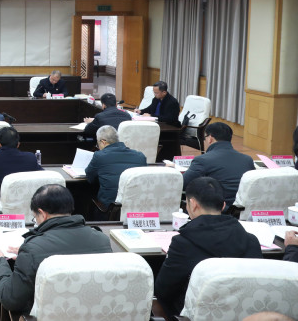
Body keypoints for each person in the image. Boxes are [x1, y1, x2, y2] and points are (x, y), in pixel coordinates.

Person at [0, 184, 112, 314]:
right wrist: (27, 255)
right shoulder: (102, 240)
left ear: (42, 214)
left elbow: (10, 299)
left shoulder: (32, 250)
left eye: (35, 218)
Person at [154, 176, 262, 317]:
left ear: (193, 204)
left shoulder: (183, 244)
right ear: (223, 206)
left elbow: (162, 290)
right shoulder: (251, 240)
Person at [180, 122, 254, 210]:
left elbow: (182, 184)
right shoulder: (247, 159)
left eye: (205, 138)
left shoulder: (202, 160)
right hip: (241, 210)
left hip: (214, 210)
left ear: (210, 138)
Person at [84, 125, 147, 210]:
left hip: (110, 209)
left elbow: (90, 178)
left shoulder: (100, 156)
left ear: (103, 142)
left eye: (97, 143)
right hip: (137, 208)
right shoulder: (140, 156)